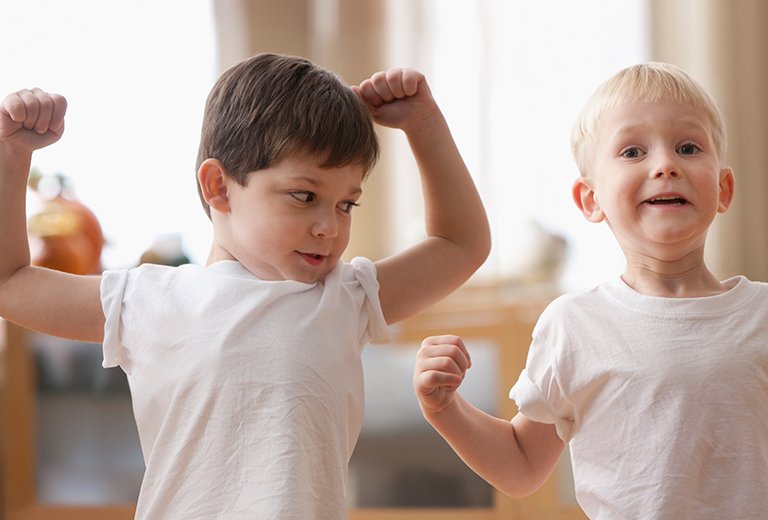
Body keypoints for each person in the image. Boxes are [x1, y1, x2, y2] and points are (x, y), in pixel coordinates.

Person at [0, 53, 490, 519]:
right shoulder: (149, 300)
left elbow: (461, 243)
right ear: (218, 187)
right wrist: (12, 153)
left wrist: (425, 127)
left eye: (347, 204)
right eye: (305, 196)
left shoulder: (346, 296)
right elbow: (10, 283)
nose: (330, 228)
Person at [413, 62, 768, 519]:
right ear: (590, 199)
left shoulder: (760, 314)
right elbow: (521, 466)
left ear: (723, 189)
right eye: (634, 151)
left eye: (687, 147)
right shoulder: (574, 325)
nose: (665, 165)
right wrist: (444, 409)